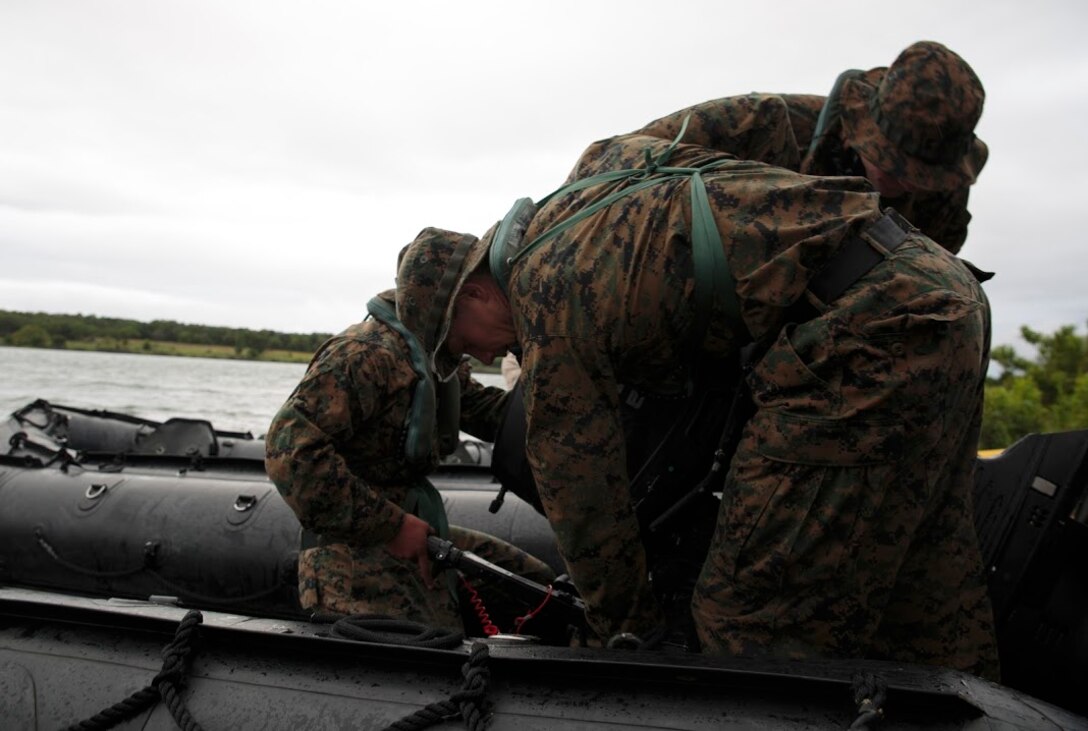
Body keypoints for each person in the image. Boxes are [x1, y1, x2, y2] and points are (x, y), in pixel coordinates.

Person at [396, 115, 1000, 677]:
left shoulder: (546, 294)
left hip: (860, 337)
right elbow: (774, 118)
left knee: (744, 620)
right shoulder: (608, 164)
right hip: (936, 286)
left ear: (474, 294)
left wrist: (624, 635)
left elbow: (586, 507)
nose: (474, 360)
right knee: (927, 582)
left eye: (457, 345)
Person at [265, 234, 554, 633]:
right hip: (356, 552)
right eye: (508, 314)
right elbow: (291, 453)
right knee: (433, 655)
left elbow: (489, 412)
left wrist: (564, 409)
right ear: (468, 297)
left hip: (414, 526)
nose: (504, 346)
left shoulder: (434, 362)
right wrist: (390, 526)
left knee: (541, 588)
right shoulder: (367, 355)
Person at [633, 40, 986, 254]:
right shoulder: (769, 123)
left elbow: (932, 266)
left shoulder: (945, 195)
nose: (910, 183)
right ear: (865, 131)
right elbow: (636, 154)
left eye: (925, 176)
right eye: (896, 165)